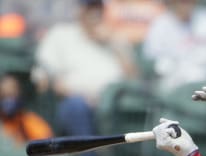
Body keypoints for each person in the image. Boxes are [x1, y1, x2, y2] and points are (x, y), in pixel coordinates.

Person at [33, 0, 137, 143]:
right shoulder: (61, 35)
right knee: (77, 106)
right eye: (89, 8)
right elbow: (44, 79)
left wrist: (113, 43)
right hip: (76, 102)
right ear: (79, 10)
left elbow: (134, 79)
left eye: (97, 7)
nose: (94, 13)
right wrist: (83, 97)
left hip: (115, 103)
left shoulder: (116, 38)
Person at [142, 0, 206, 92]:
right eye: (182, 1)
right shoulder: (161, 23)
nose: (186, 4)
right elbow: (153, 58)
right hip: (174, 79)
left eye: (190, 1)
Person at [0, 73, 53, 144]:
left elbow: (46, 144)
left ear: (19, 93)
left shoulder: (29, 122)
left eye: (11, 95)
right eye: (4, 96)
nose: (8, 100)